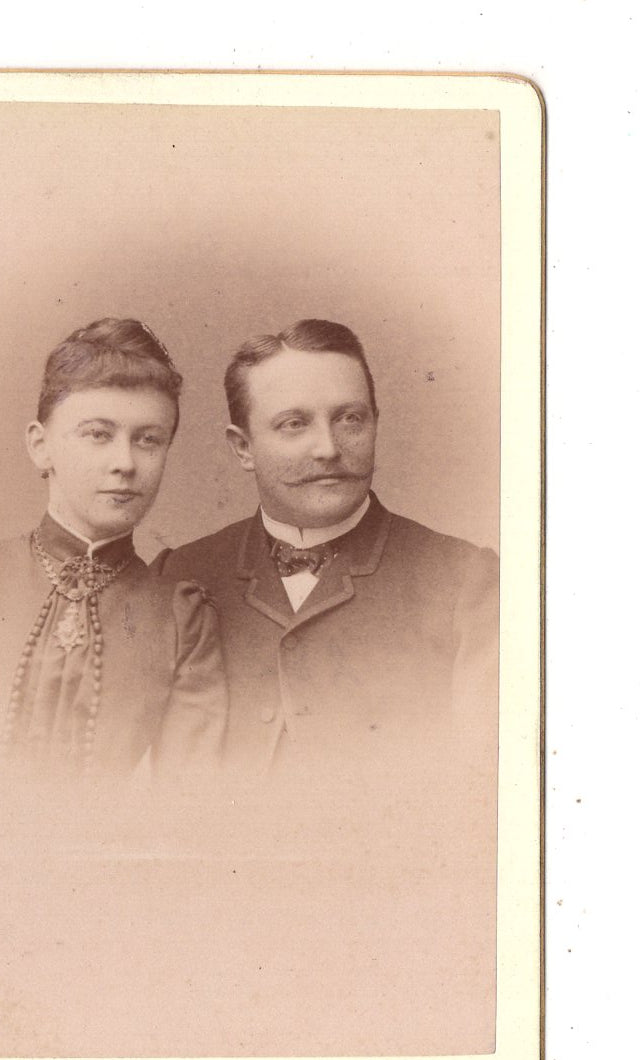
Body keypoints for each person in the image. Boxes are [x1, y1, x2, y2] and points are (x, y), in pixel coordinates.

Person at [154, 318, 499, 791]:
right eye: (294, 424)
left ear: (375, 423)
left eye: (350, 418)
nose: (328, 448)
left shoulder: (466, 582)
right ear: (242, 448)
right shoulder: (180, 575)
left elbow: (487, 792)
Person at [0, 317, 227, 785]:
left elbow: (187, 798)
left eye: (148, 440)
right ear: (40, 446)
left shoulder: (181, 620)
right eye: (98, 434)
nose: (125, 463)